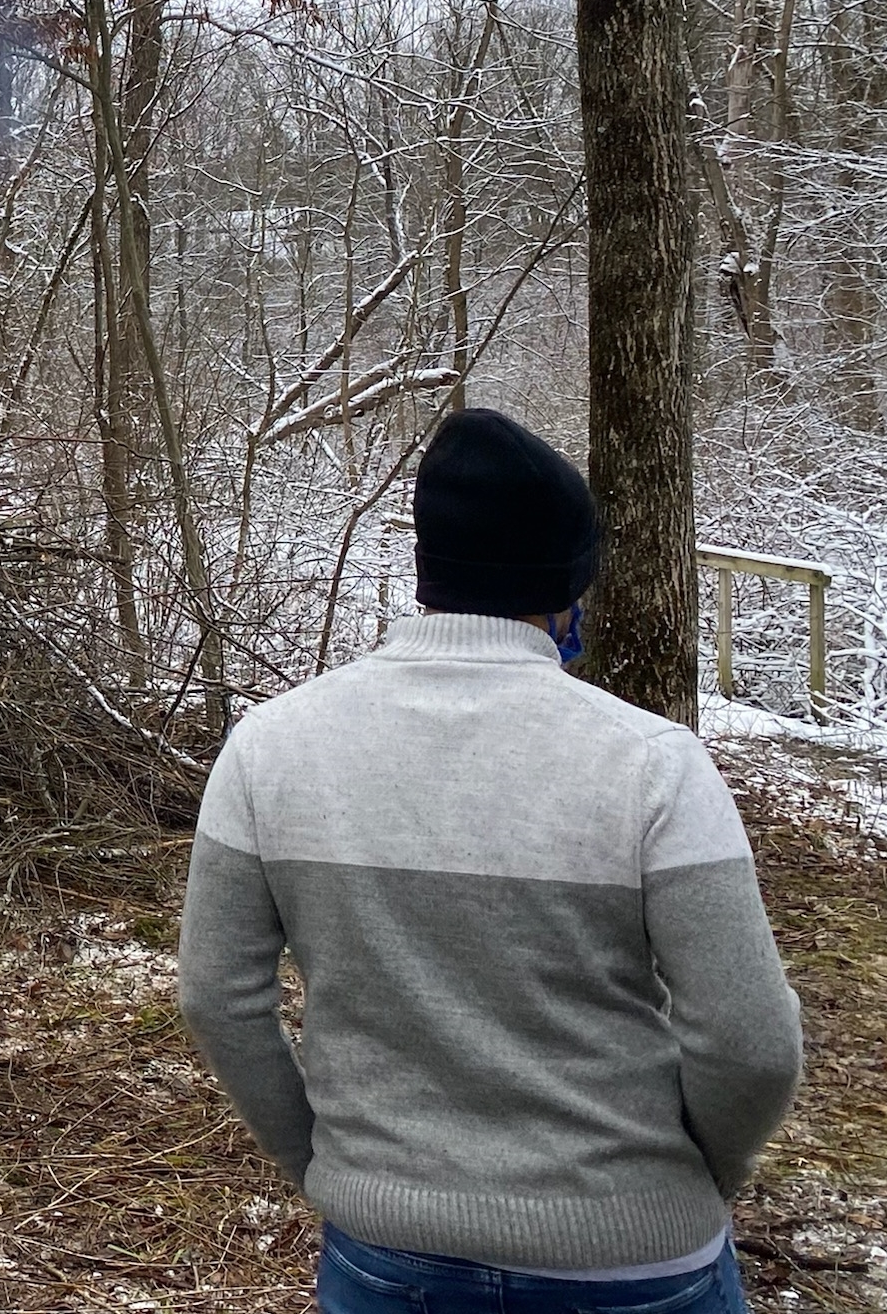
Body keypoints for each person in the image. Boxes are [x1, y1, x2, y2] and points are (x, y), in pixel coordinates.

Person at [177, 408, 802, 1314]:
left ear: (427, 566)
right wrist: (698, 1173)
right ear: (569, 589)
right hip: (633, 1259)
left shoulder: (269, 748)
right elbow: (750, 1041)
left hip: (387, 1257)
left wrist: (321, 1163)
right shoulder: (653, 764)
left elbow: (214, 997)